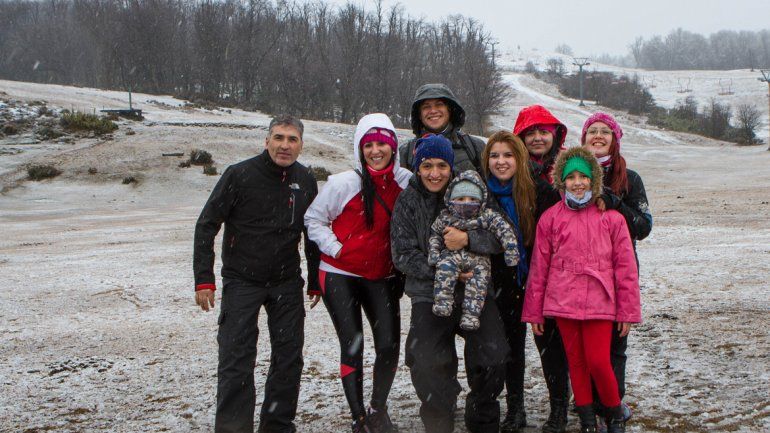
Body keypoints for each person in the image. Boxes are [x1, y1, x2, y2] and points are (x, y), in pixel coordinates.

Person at [193, 115, 320, 433]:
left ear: (301, 145)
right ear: (267, 141)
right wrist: (204, 279)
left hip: (286, 280)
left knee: (289, 358)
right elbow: (207, 224)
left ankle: (277, 425)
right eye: (278, 138)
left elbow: (313, 232)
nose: (285, 145)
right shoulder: (239, 175)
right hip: (242, 280)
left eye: (292, 140)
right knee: (236, 359)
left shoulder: (305, 179)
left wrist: (316, 278)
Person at [391, 134, 510, 433]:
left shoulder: (472, 190)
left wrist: (470, 239)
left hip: (477, 290)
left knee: (494, 357)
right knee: (425, 360)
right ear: (417, 167)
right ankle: (439, 415)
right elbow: (402, 255)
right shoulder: (409, 200)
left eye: (442, 165)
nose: (434, 173)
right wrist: (446, 270)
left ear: (450, 166)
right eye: (427, 165)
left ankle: (481, 414)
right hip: (428, 294)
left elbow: (500, 236)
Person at [521, 147, 642, 433]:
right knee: (575, 362)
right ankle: (587, 420)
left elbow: (625, 269)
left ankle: (614, 414)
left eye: (583, 176)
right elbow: (540, 268)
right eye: (571, 176)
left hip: (600, 302)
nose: (578, 182)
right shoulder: (550, 218)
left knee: (599, 361)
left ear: (594, 179)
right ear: (562, 181)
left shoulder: (611, 218)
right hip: (562, 302)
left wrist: (627, 310)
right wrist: (535, 312)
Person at [304, 113, 411, 433]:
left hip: (383, 275)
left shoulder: (406, 181)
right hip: (340, 273)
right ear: (360, 148)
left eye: (382, 144)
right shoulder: (343, 183)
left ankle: (378, 409)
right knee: (353, 343)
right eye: (369, 145)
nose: (376, 151)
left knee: (389, 345)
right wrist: (337, 249)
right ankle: (358, 417)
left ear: (394, 147)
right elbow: (314, 220)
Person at [580, 112, 652, 430]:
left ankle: (613, 406)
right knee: (585, 348)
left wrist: (615, 203)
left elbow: (644, 225)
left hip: (619, 273)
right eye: (591, 131)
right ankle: (588, 404)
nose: (597, 136)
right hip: (580, 277)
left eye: (604, 132)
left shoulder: (629, 178)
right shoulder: (572, 174)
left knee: (615, 345)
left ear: (615, 140)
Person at [512, 105, 570, 433]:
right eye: (530, 132)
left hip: (551, 272)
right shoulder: (508, 167)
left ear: (555, 135)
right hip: (513, 269)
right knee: (512, 344)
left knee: (551, 344)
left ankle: (559, 408)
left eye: (543, 132)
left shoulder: (565, 171)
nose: (536, 138)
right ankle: (516, 408)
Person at [479, 131, 539, 433]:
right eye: (494, 155)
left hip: (521, 282)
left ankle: (516, 408)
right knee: (492, 350)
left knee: (515, 347)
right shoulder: (479, 194)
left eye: (507, 155)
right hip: (488, 282)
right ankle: (487, 404)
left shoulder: (532, 191)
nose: (500, 162)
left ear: (519, 158)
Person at [428, 170, 519, 330]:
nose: (466, 203)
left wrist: (511, 252)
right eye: (461, 199)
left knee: (478, 285)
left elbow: (505, 231)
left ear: (481, 200)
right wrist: (434, 253)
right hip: (451, 257)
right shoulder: (445, 217)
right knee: (444, 272)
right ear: (451, 199)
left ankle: (471, 315)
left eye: (472, 199)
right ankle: (443, 302)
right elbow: (435, 234)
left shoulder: (487, 216)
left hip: (479, 259)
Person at [399, 83, 486, 173]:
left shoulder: (474, 147)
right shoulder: (406, 152)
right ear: (419, 115)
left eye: (439, 105)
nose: (433, 111)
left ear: (450, 110)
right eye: (426, 107)